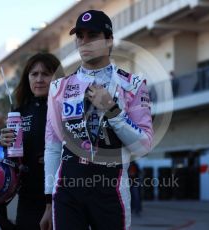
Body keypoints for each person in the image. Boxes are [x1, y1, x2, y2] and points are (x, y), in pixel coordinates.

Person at [42, 10, 153, 230]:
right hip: (68, 185)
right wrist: (48, 200)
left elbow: (144, 146)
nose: (84, 42)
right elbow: (53, 146)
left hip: (110, 185)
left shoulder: (133, 84)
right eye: (80, 37)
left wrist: (112, 110)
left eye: (92, 35)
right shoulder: (59, 87)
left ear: (109, 40)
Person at [0, 53, 63, 230]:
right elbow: (10, 159)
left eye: (46, 73)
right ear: (27, 77)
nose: (39, 79)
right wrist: (1, 142)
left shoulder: (67, 109)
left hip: (62, 194)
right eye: (34, 74)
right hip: (27, 195)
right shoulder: (18, 113)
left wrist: (58, 156)